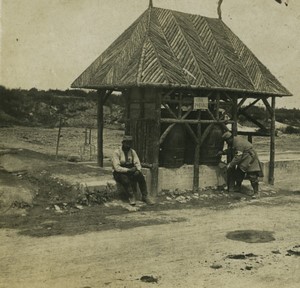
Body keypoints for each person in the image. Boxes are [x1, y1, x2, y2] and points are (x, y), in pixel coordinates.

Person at [111, 135, 154, 205]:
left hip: (130, 170)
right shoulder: (116, 152)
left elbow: (137, 163)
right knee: (125, 179)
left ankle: (145, 196)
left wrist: (138, 170)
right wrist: (128, 170)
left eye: (130, 143)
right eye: (127, 143)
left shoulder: (132, 152)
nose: (128, 145)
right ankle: (131, 197)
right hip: (119, 173)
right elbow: (117, 167)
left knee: (141, 177)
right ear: (123, 143)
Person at [218, 131, 263, 197]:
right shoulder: (234, 142)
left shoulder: (238, 143)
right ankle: (238, 187)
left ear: (230, 139)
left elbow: (238, 157)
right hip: (244, 158)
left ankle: (256, 192)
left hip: (250, 158)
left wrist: (230, 164)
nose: (226, 143)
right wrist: (223, 152)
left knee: (252, 176)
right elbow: (232, 150)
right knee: (239, 173)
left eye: (227, 141)